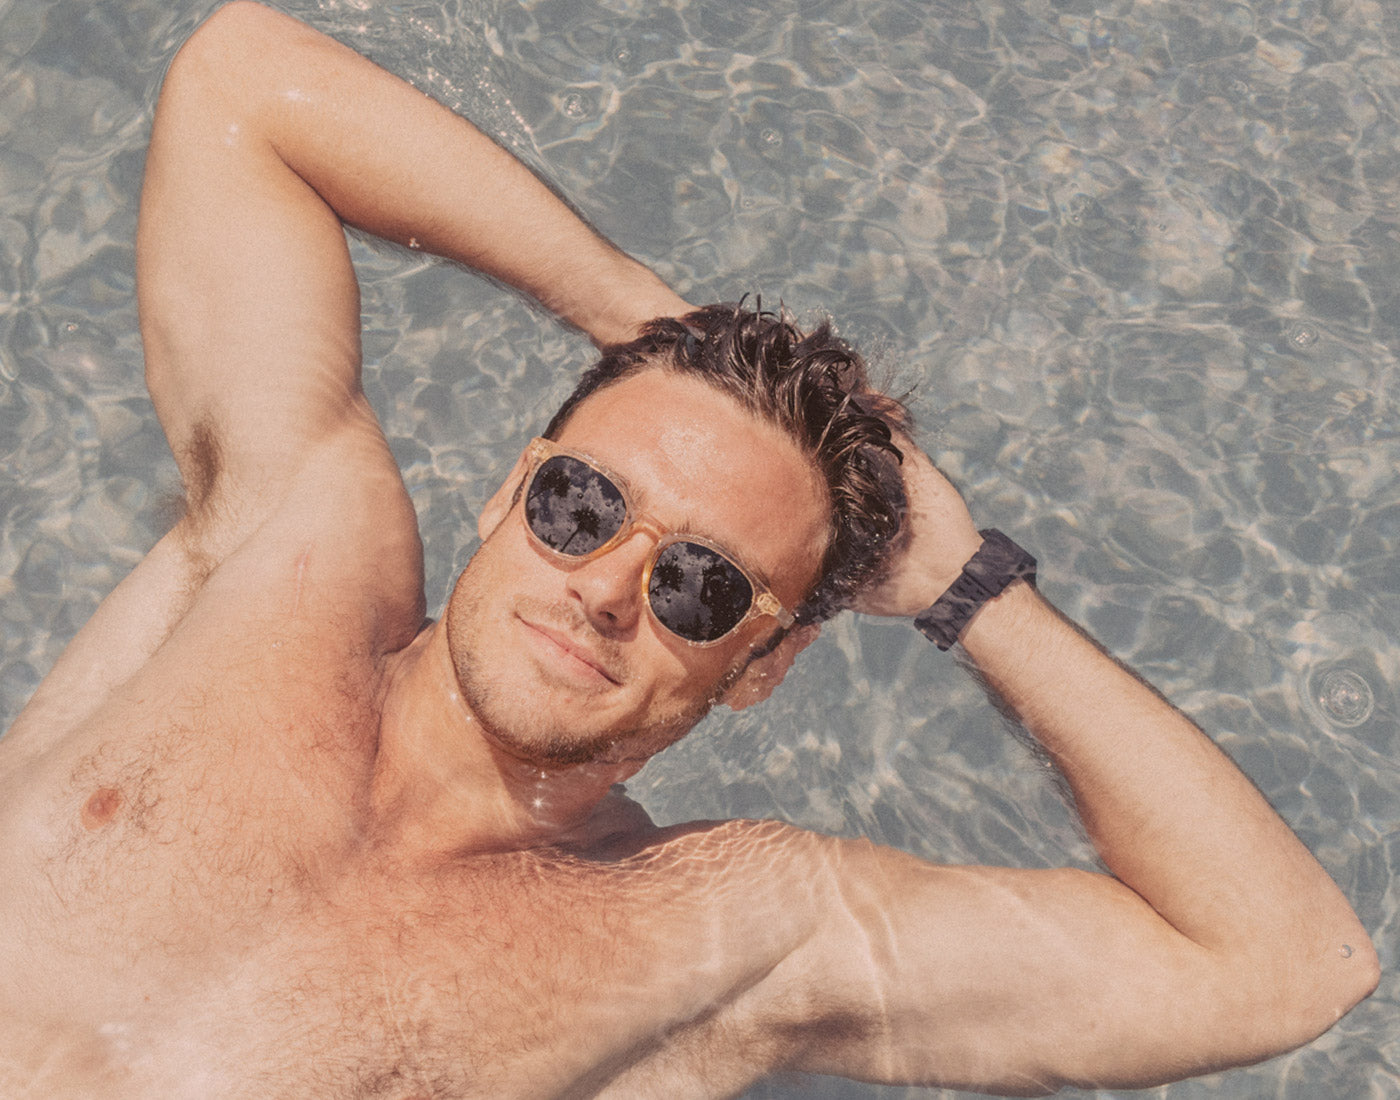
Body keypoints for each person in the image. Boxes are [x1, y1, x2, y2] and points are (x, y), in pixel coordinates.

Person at [0, 3, 1377, 1096]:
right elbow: (240, 84)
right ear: (509, 493)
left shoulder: (720, 939)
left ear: (763, 666)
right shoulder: (291, 557)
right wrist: (643, 325)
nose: (605, 588)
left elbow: (1284, 967)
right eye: (585, 506)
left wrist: (973, 595)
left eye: (699, 585)